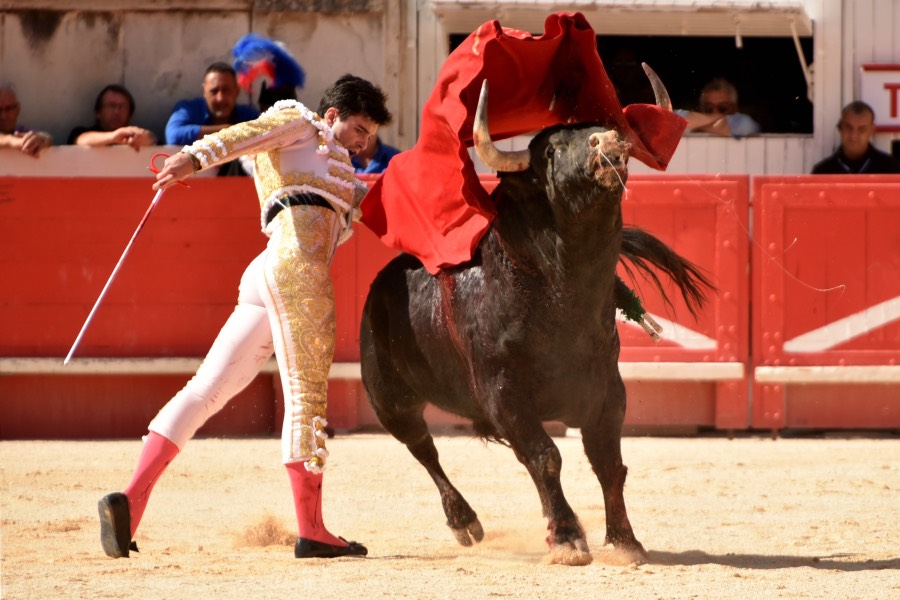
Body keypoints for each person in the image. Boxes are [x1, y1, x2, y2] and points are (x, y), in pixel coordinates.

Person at [97, 73, 392, 561]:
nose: (366, 142)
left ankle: (129, 499)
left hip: (267, 274)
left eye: (371, 135)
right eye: (360, 128)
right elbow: (246, 133)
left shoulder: (342, 173)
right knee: (307, 394)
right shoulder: (299, 121)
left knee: (204, 391)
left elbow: (380, 207)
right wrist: (194, 157)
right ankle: (313, 529)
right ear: (335, 115)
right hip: (297, 272)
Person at [164, 61, 260, 145]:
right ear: (204, 91)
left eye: (226, 91)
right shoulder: (188, 110)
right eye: (214, 91)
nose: (220, 98)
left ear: (237, 91)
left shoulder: (248, 115)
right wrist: (228, 131)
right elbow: (173, 136)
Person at [811, 101, 900, 174]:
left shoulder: (891, 169)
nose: (854, 135)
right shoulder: (822, 172)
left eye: (862, 129)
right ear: (840, 127)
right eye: (849, 127)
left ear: (872, 131)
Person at [67, 84, 157, 150]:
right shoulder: (80, 132)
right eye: (111, 105)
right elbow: (80, 140)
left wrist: (148, 139)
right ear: (98, 112)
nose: (117, 111)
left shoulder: (133, 136)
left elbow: (156, 142)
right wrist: (113, 137)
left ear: (130, 114)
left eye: (122, 106)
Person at [676, 78, 760, 139]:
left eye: (723, 108)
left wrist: (697, 125)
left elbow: (747, 127)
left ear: (735, 108)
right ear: (702, 108)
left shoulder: (745, 121)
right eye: (709, 108)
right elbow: (674, 118)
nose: (715, 112)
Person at [0, 81, 53, 157]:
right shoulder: (15, 137)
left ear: (17, 110)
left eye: (8, 109)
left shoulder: (22, 131)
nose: (3, 116)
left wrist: (41, 139)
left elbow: (46, 138)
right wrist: (11, 140)